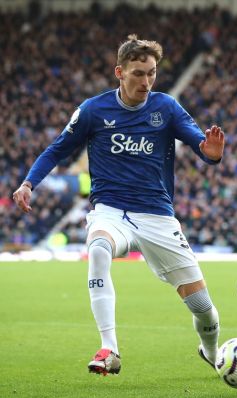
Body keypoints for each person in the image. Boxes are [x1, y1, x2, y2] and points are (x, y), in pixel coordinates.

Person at [12, 35, 225, 376]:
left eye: (152, 74)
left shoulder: (166, 107)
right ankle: (109, 348)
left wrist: (209, 153)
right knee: (97, 249)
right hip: (110, 211)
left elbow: (200, 143)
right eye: (139, 74)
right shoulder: (93, 110)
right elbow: (56, 149)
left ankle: (212, 351)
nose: (146, 82)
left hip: (157, 215)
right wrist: (27, 183)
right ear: (119, 72)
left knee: (204, 310)